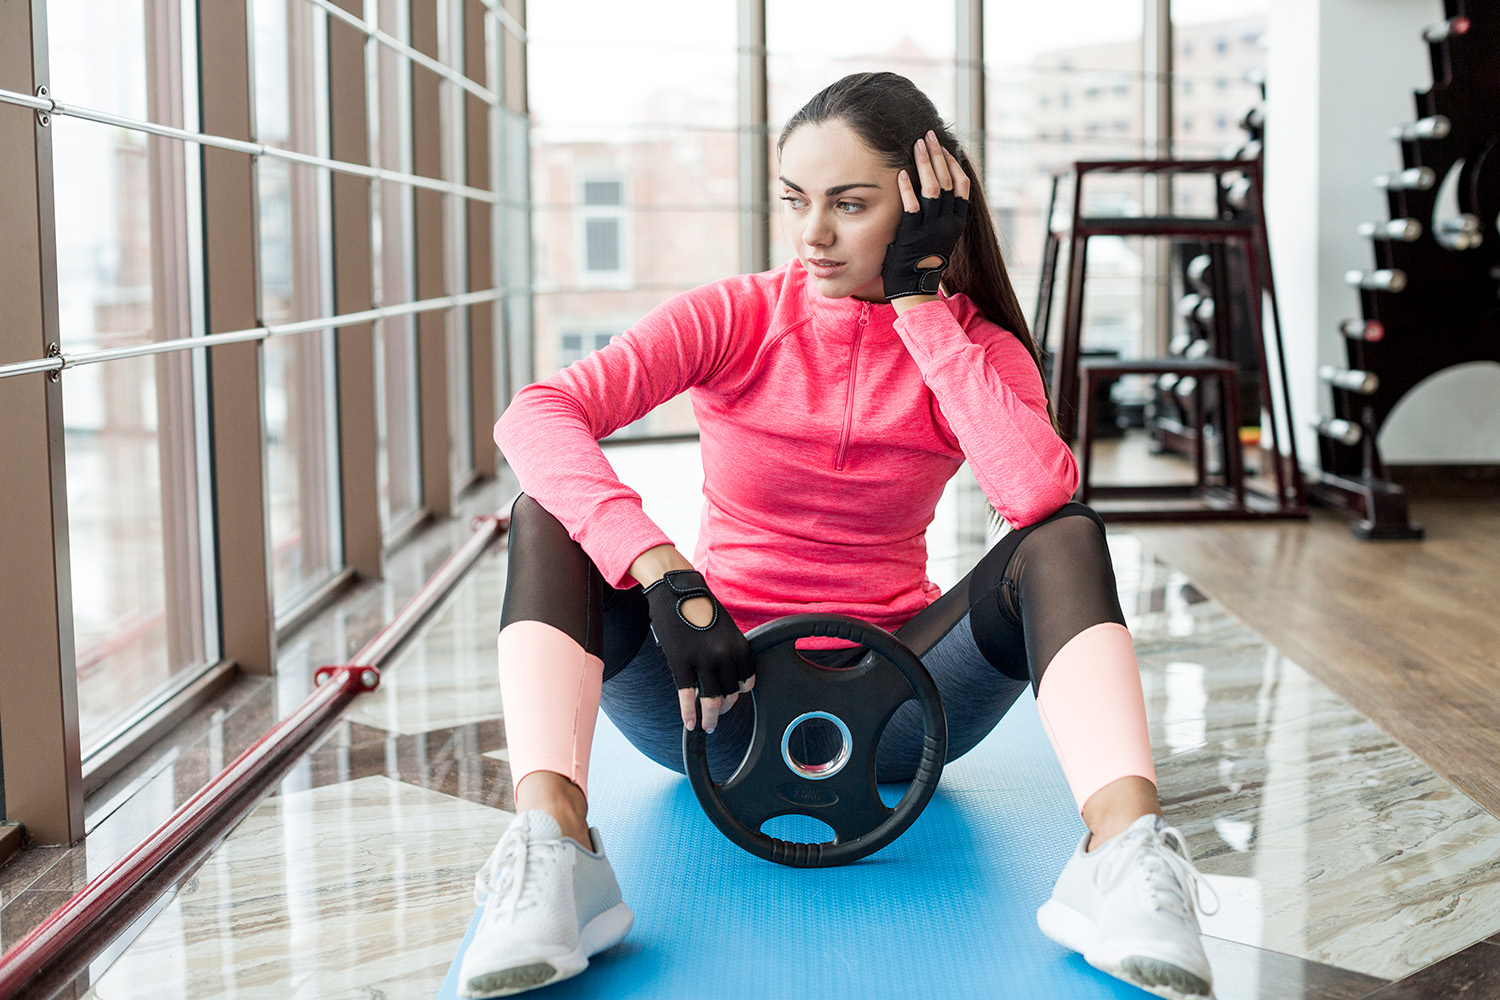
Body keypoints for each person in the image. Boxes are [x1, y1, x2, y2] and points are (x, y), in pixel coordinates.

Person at [459, 71, 1216, 1000]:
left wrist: (923, 310)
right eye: (795, 201)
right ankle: (555, 851)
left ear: (923, 205)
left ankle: (1124, 854)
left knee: (1066, 540)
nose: (813, 235)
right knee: (547, 517)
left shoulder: (971, 348)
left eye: (849, 205)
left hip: (898, 708)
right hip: (708, 700)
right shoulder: (735, 316)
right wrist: (663, 573)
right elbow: (535, 415)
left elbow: (1036, 494)